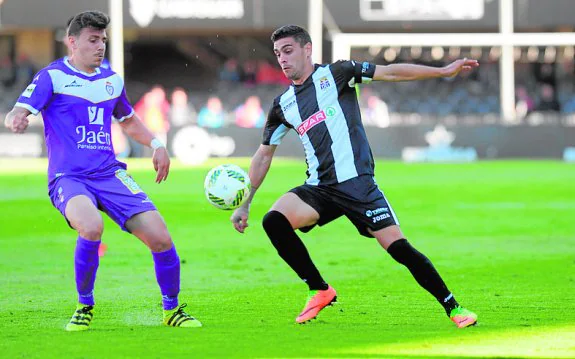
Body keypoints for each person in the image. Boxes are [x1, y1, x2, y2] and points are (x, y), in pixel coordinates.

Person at [230, 25, 479, 328]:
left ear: (307, 49)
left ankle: (453, 307)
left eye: (288, 50)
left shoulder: (338, 73)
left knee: (399, 249)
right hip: (320, 188)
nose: (282, 59)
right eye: (278, 53)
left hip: (358, 184)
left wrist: (442, 72)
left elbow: (391, 72)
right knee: (274, 220)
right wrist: (246, 203)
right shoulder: (282, 105)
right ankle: (319, 289)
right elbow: (264, 154)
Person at [4, 11, 201, 331]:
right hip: (69, 177)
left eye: (103, 41)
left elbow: (127, 119)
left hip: (110, 174)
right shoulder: (52, 76)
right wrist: (16, 117)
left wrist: (155, 143)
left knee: (161, 237)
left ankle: (172, 309)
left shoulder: (111, 81)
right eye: (93, 40)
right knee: (92, 226)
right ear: (72, 42)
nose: (100, 47)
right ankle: (84, 304)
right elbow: (20, 108)